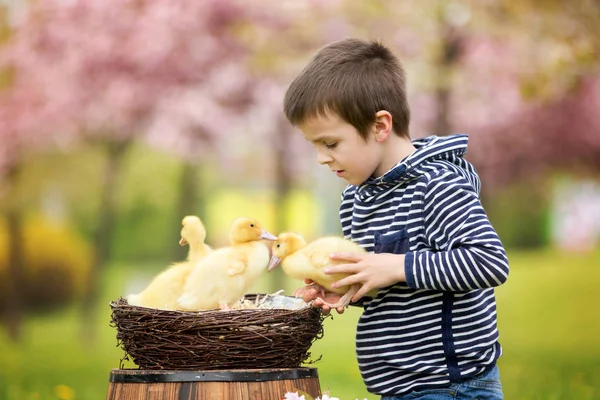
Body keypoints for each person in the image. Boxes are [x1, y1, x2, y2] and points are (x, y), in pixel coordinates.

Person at [282, 38, 509, 399]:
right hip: (398, 386)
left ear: (380, 126)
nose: (322, 159)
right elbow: (393, 288)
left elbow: (488, 261)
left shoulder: (437, 184)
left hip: (449, 385)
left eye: (331, 144)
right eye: (315, 146)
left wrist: (396, 266)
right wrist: (346, 288)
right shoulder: (355, 200)